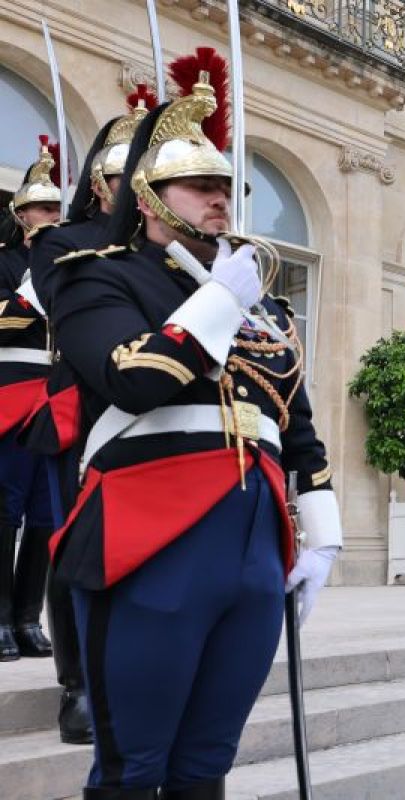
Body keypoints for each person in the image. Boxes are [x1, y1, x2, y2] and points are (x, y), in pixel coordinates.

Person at [49, 48, 342, 797]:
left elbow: (294, 423)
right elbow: (134, 378)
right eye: (200, 186)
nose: (221, 199)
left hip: (251, 552)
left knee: (206, 766)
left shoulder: (258, 302)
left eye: (226, 187)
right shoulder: (97, 275)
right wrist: (218, 303)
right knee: (132, 769)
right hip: (148, 538)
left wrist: (325, 537)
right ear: (148, 197)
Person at [20, 87, 156, 747]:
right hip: (91, 402)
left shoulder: (165, 248)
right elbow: (68, 310)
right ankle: (77, 683)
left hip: (159, 404)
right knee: (81, 545)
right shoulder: (62, 242)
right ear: (100, 184)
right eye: (124, 178)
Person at [0, 136, 61, 664]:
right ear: (20, 215)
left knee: (46, 512)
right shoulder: (4, 265)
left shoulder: (70, 266)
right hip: (9, 392)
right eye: (41, 207)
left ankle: (27, 616)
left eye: (56, 208)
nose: (50, 215)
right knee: (5, 511)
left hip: (54, 397)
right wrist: (30, 296)